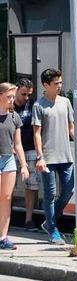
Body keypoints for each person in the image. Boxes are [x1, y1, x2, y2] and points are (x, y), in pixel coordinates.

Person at [33, 68, 77, 245]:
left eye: (61, 83)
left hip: (66, 155)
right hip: (48, 157)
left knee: (69, 190)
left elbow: (72, 128)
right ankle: (53, 230)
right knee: (50, 194)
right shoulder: (38, 105)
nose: (60, 86)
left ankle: (50, 221)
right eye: (56, 84)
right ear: (45, 85)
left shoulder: (65, 102)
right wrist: (40, 157)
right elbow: (37, 133)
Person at [0, 83, 29, 250]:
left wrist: (24, 165)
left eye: (13, 97)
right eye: (9, 96)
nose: (12, 100)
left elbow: (18, 145)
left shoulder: (14, 117)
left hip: (9, 160)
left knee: (7, 198)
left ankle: (3, 237)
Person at [13, 78, 39, 232]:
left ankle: (29, 219)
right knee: (7, 186)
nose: (26, 98)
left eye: (29, 94)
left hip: (29, 148)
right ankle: (5, 218)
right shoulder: (8, 105)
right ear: (16, 90)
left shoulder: (32, 104)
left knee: (32, 185)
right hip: (10, 148)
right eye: (23, 94)